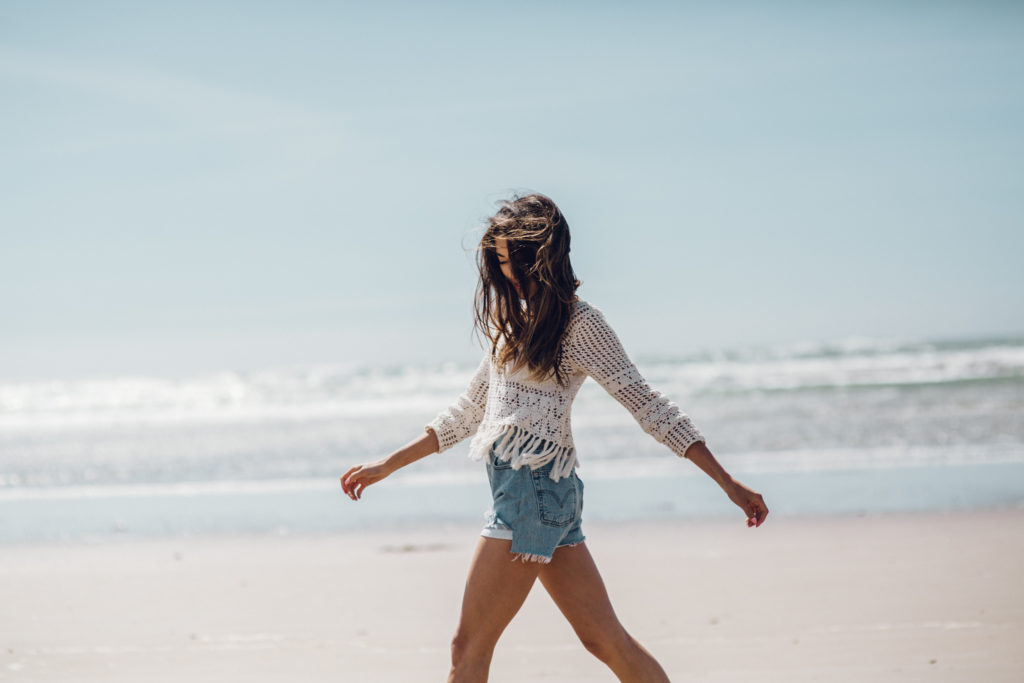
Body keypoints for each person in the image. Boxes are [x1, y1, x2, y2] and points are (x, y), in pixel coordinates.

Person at [341, 193, 768, 682]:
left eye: (514, 262)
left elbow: (647, 404)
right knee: (605, 640)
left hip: (531, 495)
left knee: (468, 648)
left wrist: (727, 482)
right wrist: (387, 465)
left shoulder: (580, 323)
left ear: (544, 257)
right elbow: (467, 412)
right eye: (498, 263)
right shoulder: (511, 326)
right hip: (543, 497)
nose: (507, 276)